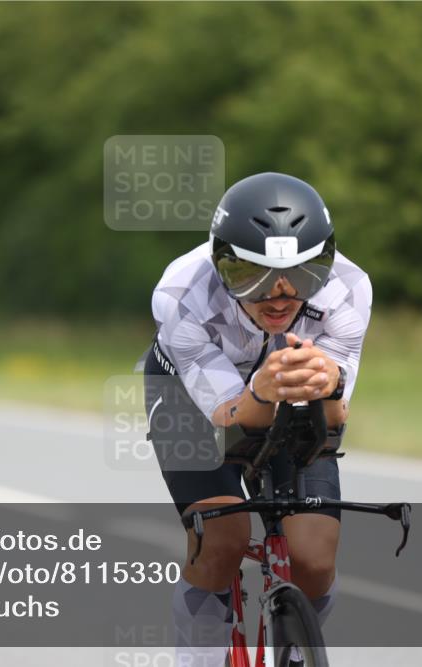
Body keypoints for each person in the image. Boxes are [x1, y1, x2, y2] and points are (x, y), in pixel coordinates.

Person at [144, 173, 372, 666]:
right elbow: (229, 416)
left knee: (313, 558)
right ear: (222, 262)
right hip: (191, 400)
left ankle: (294, 649)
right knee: (222, 540)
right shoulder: (182, 293)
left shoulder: (349, 291)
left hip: (290, 399)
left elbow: (334, 412)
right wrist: (263, 390)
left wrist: (329, 381)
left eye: (303, 275)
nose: (281, 296)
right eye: (255, 276)